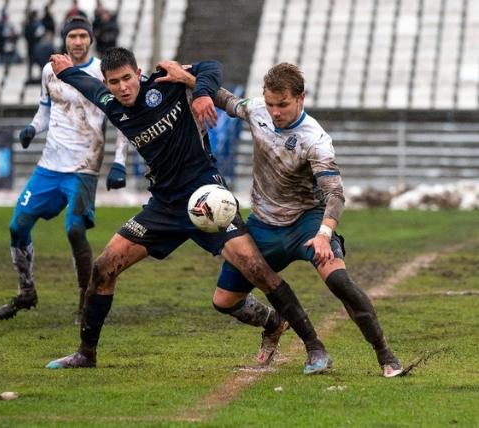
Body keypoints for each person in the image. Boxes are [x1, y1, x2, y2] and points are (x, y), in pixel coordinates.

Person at [44, 47, 332, 375]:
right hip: (163, 208)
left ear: (138, 73)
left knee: (257, 269)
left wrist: (200, 94)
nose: (123, 87)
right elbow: (88, 86)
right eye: (114, 82)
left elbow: (212, 65)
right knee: (104, 268)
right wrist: (66, 71)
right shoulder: (112, 105)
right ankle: (86, 353)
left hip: (206, 199)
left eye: (127, 78)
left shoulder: (166, 85)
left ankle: (315, 347)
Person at [190, 62, 401, 377]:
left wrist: (323, 234)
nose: (275, 112)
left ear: (301, 98)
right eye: (271, 104)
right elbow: (224, 98)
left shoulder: (315, 139)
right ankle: (276, 323)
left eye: (283, 104)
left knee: (340, 281)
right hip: (262, 224)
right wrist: (191, 82)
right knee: (224, 300)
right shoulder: (257, 110)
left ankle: (385, 355)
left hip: (306, 222)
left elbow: (335, 194)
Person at [0, 16, 129, 323]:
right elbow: (46, 107)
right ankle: (26, 291)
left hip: (84, 167)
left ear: (91, 39)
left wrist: (119, 162)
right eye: (73, 36)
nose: (78, 41)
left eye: (83, 36)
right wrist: (32, 127)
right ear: (65, 39)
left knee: (75, 231)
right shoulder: (49, 69)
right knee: (17, 227)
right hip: (49, 166)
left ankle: (86, 299)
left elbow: (120, 119)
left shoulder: (102, 73)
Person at [24, 10, 46, 83]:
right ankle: (34, 76)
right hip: (35, 47)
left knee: (34, 63)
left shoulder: (28, 25)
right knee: (37, 63)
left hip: (32, 47)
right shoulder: (35, 24)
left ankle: (33, 76)